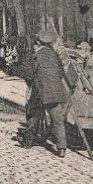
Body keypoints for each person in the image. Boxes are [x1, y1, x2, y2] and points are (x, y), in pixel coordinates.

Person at [25, 28, 69, 157]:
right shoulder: (55, 55)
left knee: (33, 112)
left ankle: (28, 139)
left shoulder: (36, 55)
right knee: (57, 119)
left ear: (39, 42)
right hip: (56, 92)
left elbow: (29, 74)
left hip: (41, 91)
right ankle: (62, 148)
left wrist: (32, 84)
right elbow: (61, 72)